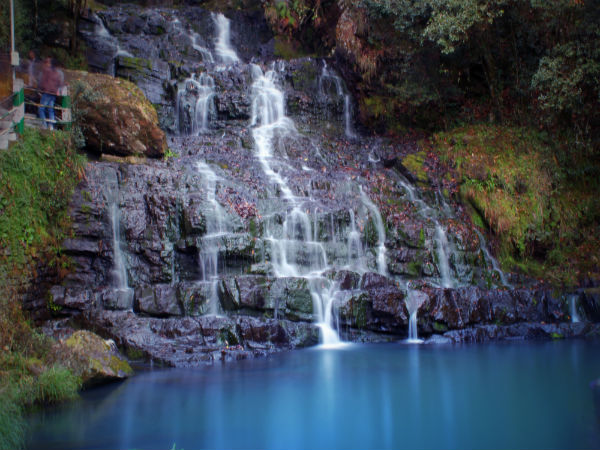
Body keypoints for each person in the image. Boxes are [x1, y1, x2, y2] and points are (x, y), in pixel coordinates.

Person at [38, 57, 63, 129]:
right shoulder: (58, 74)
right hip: (53, 93)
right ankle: (51, 125)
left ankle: (44, 124)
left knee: (41, 109)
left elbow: (42, 81)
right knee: (50, 109)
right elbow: (60, 83)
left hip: (47, 92)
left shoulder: (46, 71)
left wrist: (40, 89)